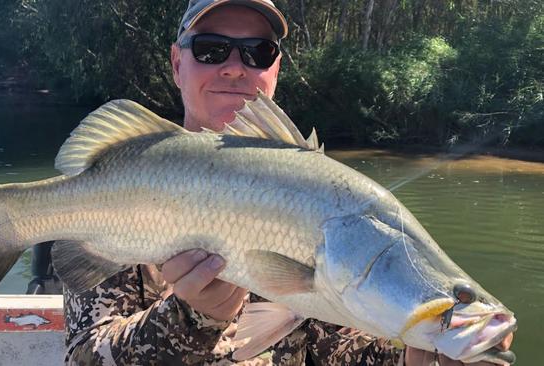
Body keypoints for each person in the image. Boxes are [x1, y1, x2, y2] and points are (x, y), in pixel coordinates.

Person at [63, 1, 513, 365]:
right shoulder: (117, 185)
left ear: (276, 67)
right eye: (211, 49)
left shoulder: (318, 200)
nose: (236, 68)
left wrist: (419, 359)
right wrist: (191, 317)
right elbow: (84, 357)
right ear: (177, 62)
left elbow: (347, 352)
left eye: (257, 52)